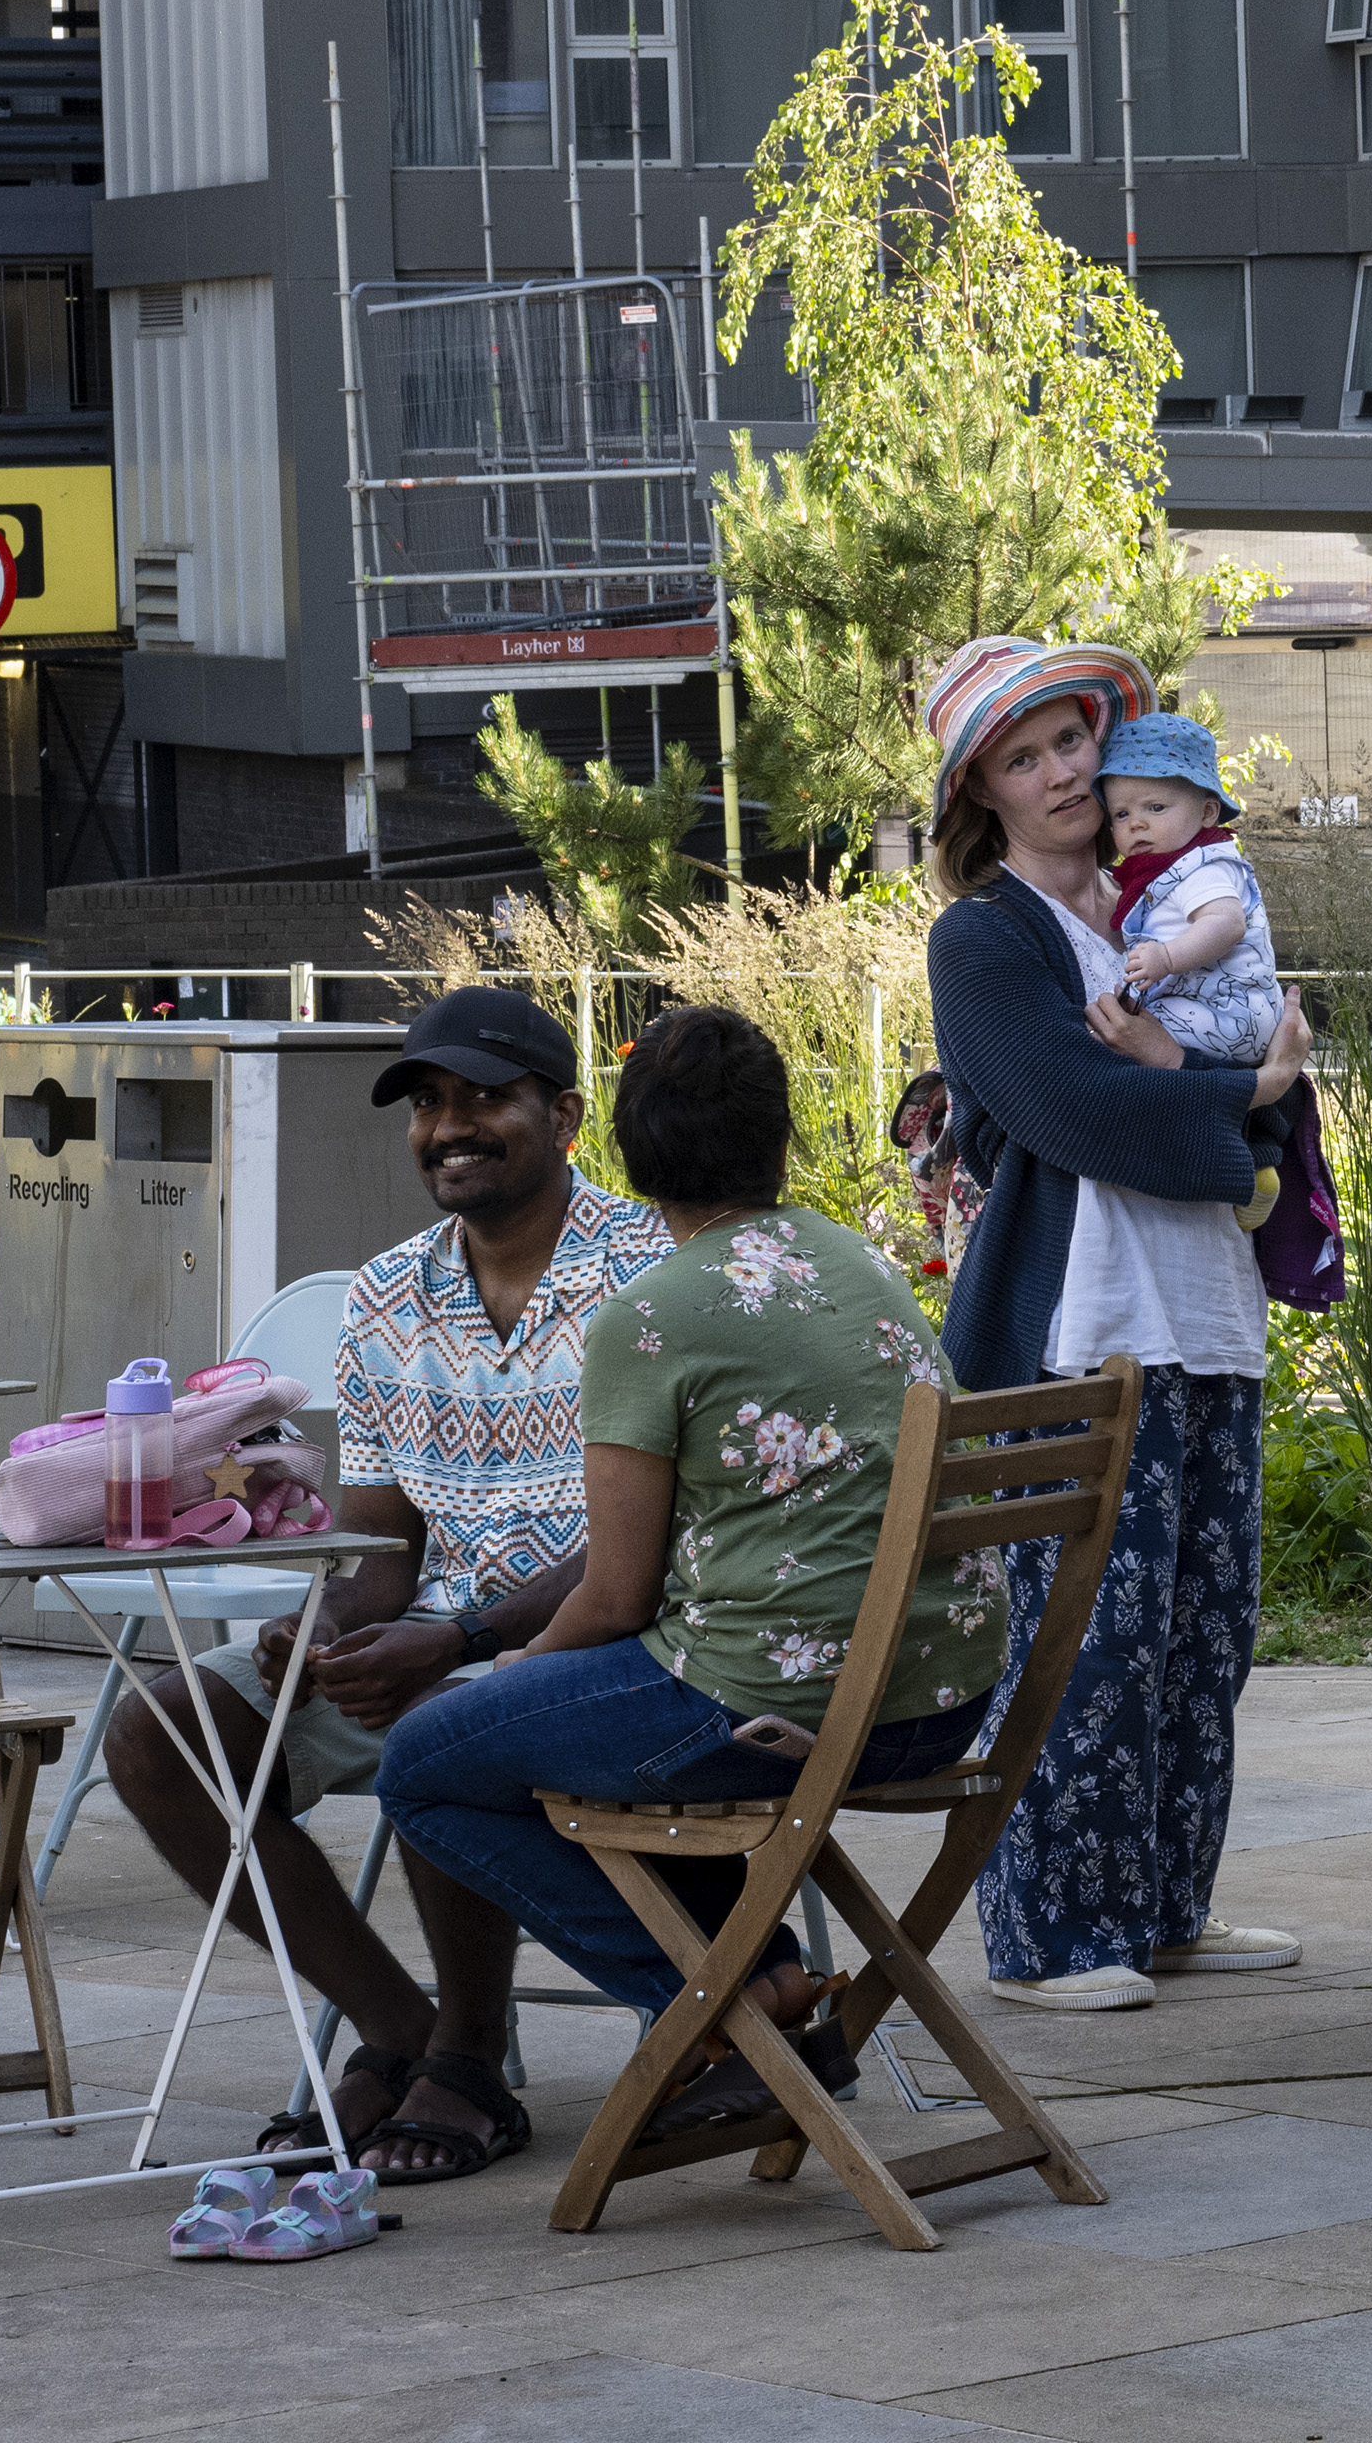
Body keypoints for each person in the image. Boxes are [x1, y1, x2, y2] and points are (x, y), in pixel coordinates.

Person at [376, 1007, 1009, 2145]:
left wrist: (516, 1662)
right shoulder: (850, 1257)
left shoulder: (652, 1315)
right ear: (777, 1138)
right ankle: (752, 1988)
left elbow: (615, 1601)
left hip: (797, 1715)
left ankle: (723, 2000)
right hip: (941, 1703)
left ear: (621, 1149)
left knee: (429, 1760)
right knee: (574, 1719)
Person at [94, 984, 667, 2186]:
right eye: (427, 1105)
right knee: (162, 1734)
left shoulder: (648, 1273)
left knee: (434, 1720)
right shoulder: (387, 1294)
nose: (449, 1127)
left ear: (564, 1116)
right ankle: (397, 2026)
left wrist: (447, 1642)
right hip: (438, 1639)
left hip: (608, 1650)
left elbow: (652, 1547)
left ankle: (469, 2059)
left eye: (483, 1099)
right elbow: (380, 1533)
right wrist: (330, 1621)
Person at [912, 636, 1314, 2012]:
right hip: (1078, 1330)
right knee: (1083, 1640)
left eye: (1071, 739)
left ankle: (1161, 1911)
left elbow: (1283, 1066)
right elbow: (1074, 1112)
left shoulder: (1191, 895)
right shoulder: (987, 938)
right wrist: (1240, 1132)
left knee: (1207, 1631)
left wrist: (1238, 1099)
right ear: (986, 796)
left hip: (1207, 1311)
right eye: (1024, 760)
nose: (1063, 772)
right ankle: (1050, 1941)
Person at [1096, 710, 1296, 1233]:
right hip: (1227, 1010)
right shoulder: (1164, 869)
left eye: (1155, 807)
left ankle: (1231, 1167)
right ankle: (1259, 1163)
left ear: (1208, 811)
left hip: (1224, 1007)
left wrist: (1164, 958)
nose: (1135, 823)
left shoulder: (1203, 866)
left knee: (1118, 1050)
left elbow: (1225, 924)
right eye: (1120, 815)